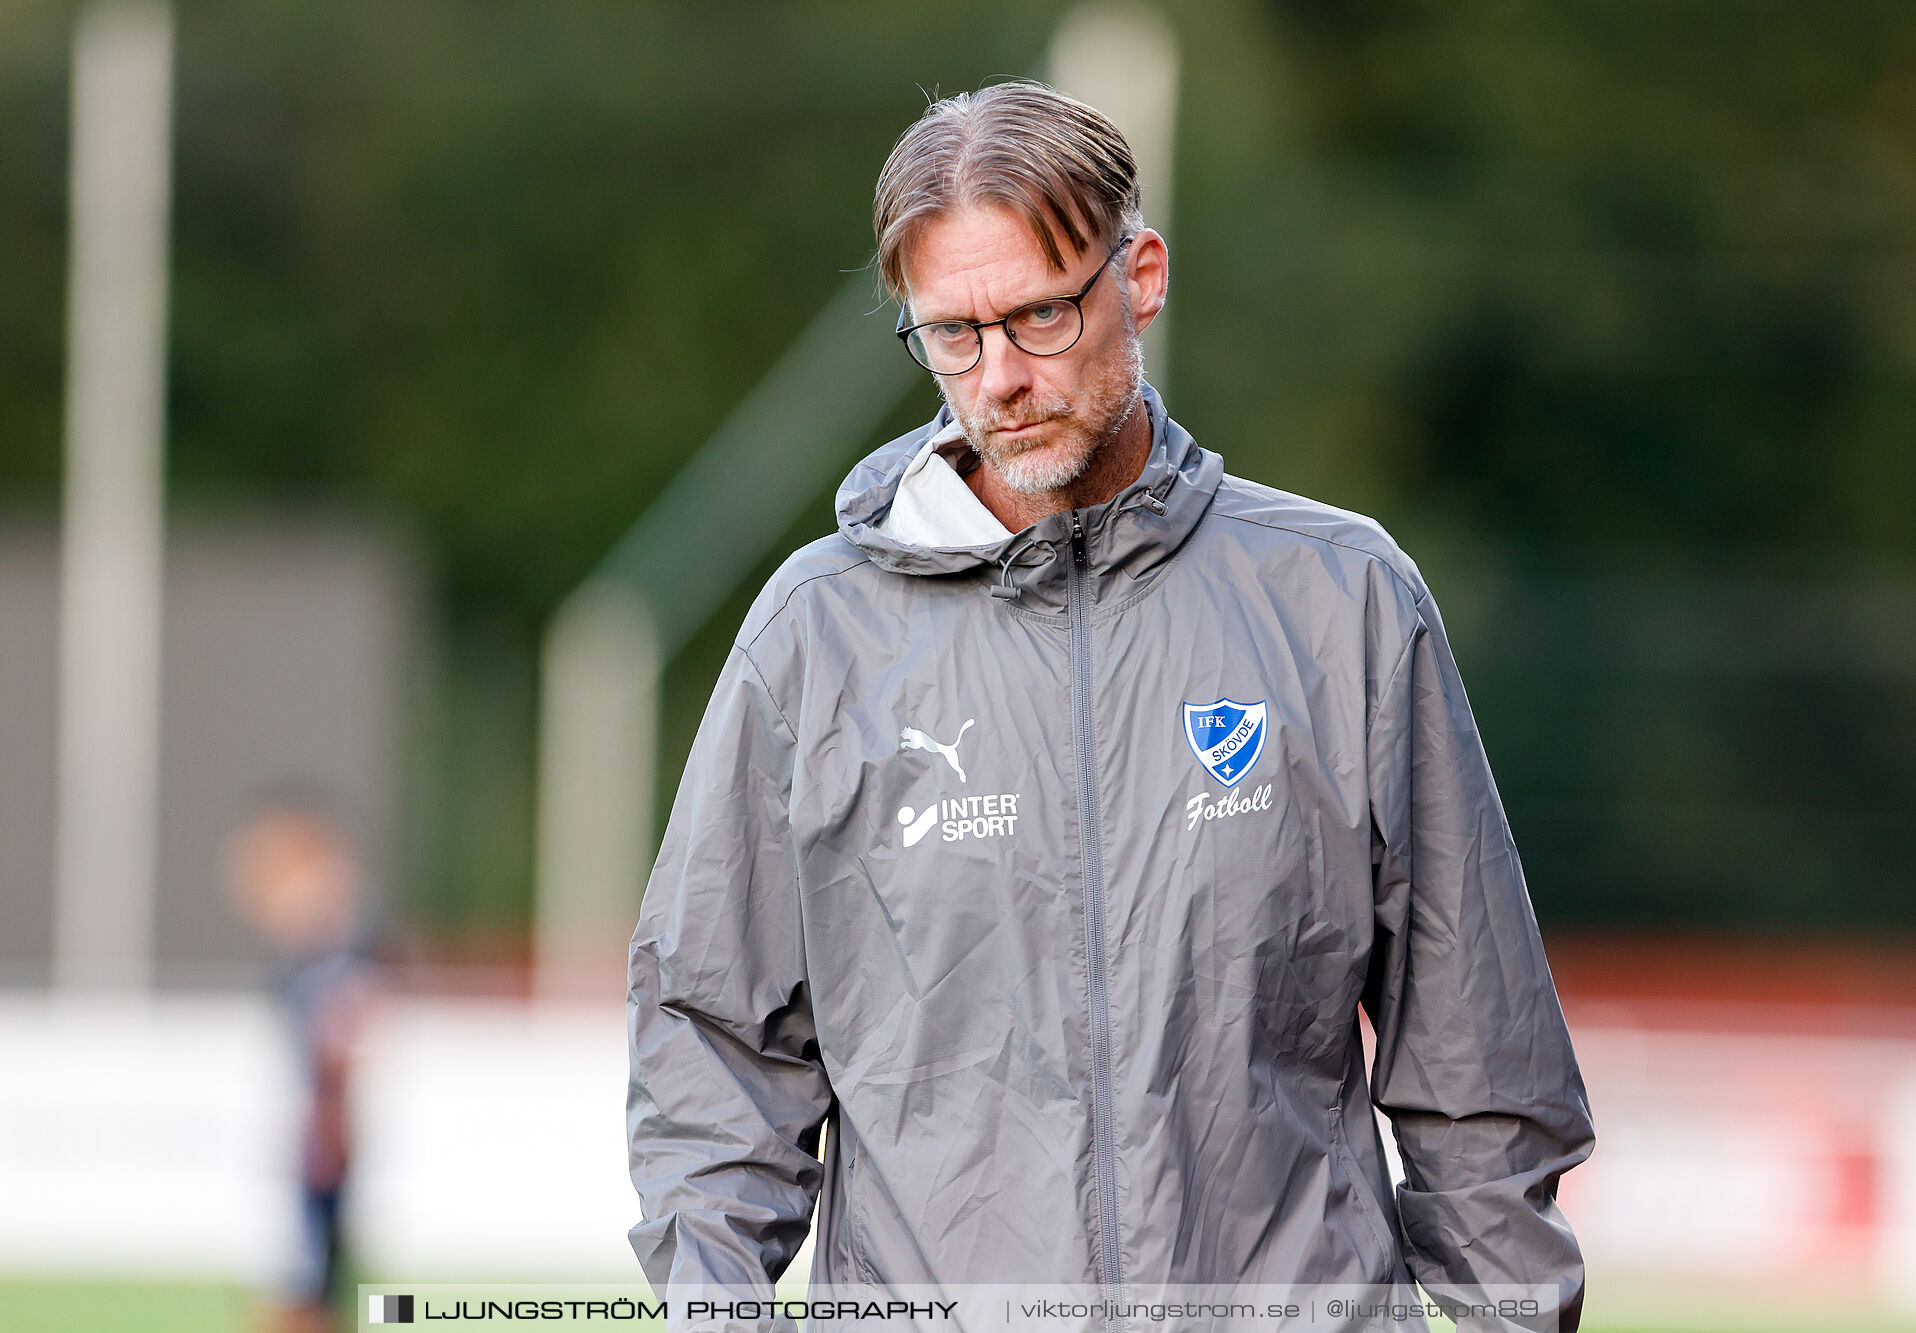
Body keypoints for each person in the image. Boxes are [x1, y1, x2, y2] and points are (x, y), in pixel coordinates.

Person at [627, 81, 1593, 1329]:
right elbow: (712, 1056)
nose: (999, 378)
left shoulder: (1339, 600)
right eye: (950, 335)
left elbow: (1477, 1068)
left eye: (1036, 314)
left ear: (1137, 275)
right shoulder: (813, 639)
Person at [226, 793, 379, 1333]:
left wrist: (322, 1129)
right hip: (308, 1142)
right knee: (308, 1286)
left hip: (312, 1146)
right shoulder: (312, 955)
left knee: (301, 1294)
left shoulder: (328, 952)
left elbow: (340, 1048)